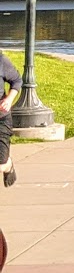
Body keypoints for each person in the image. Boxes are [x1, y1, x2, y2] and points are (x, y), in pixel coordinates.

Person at [0, 45, 19, 191]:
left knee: (1, 165)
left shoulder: (1, 61)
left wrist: (9, 99)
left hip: (1, 119)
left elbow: (17, 81)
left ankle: (8, 165)